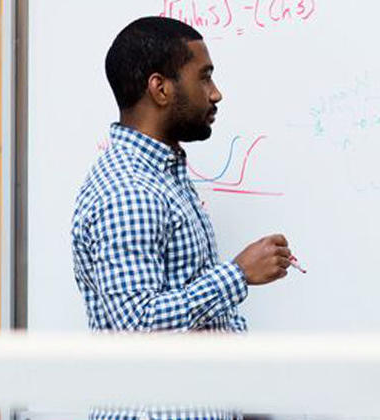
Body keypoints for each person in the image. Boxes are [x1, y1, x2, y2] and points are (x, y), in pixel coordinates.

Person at [71, 17, 292, 420]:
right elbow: (138, 327)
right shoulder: (129, 190)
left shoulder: (163, 175)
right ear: (160, 88)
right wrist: (238, 274)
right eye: (204, 78)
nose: (216, 93)